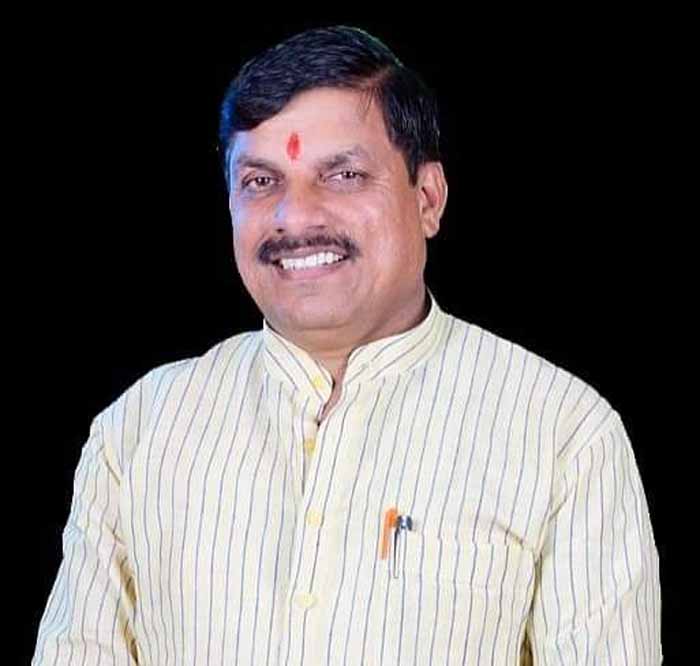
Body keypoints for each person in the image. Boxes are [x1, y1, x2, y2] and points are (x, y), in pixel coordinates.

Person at [32, 25, 662, 665]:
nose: (295, 217)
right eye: (261, 182)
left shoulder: (561, 433)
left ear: (428, 199)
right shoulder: (139, 430)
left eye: (343, 175)